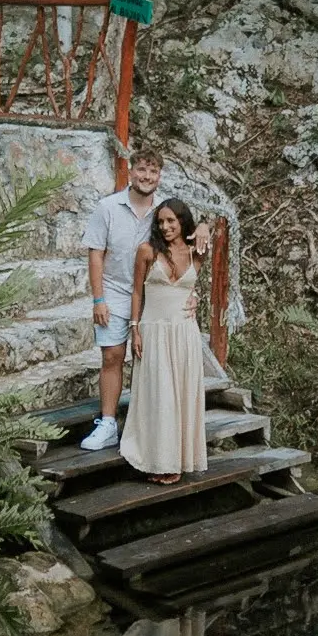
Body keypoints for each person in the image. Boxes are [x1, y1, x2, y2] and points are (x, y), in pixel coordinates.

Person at [80, 149, 207, 451]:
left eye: (153, 172)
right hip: (114, 290)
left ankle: (151, 425)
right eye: (141, 170)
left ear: (159, 176)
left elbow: (193, 237)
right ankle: (108, 423)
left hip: (153, 294)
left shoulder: (163, 212)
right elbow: (95, 253)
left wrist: (204, 226)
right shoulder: (107, 207)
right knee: (112, 355)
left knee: (152, 360)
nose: (147, 177)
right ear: (130, 171)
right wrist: (99, 298)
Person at [122, 197, 209, 483]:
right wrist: (134, 328)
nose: (165, 226)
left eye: (171, 220)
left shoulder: (196, 252)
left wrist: (205, 226)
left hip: (185, 333)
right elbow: (137, 292)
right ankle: (160, 462)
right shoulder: (147, 251)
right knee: (160, 397)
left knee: (182, 396)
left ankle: (179, 462)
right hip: (154, 331)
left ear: (183, 221)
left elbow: (195, 284)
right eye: (161, 221)